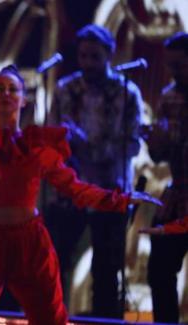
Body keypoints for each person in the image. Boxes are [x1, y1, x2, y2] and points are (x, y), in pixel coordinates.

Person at [0, 64, 159, 325]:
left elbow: (74, 188)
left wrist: (121, 199)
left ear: (23, 99)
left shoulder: (36, 145)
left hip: (29, 242)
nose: (6, 94)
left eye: (13, 89)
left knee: (51, 318)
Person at [47, 24, 144, 318]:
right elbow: (53, 136)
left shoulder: (127, 92)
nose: (88, 63)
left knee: (106, 269)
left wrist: (92, 147)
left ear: (109, 55)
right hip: (70, 191)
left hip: (109, 189)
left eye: (95, 57)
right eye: (83, 56)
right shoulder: (66, 89)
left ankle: (105, 320)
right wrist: (68, 143)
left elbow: (134, 144)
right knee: (57, 262)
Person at [140, 31, 188, 324]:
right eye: (170, 65)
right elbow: (160, 157)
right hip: (179, 193)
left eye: (180, 65)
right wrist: (154, 142)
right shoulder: (169, 96)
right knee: (160, 269)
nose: (173, 72)